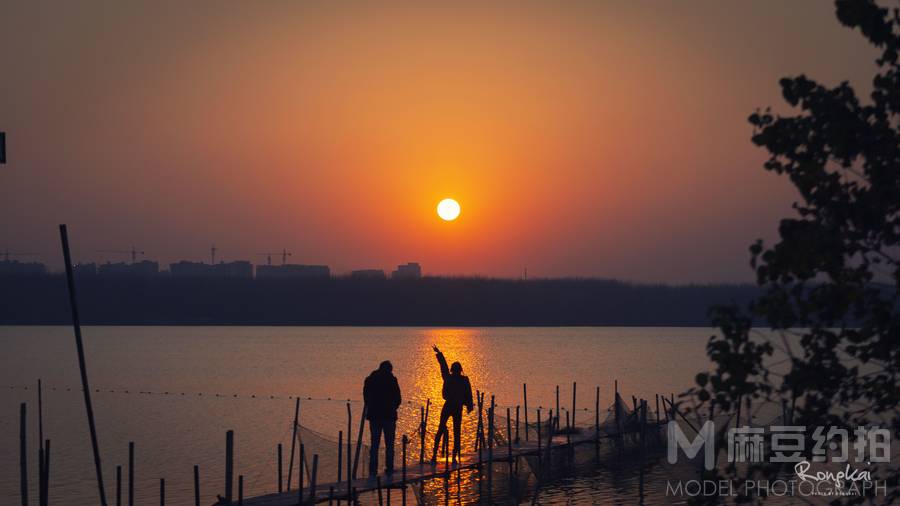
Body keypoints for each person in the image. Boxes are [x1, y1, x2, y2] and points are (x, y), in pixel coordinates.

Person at [430, 345, 474, 465]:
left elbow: (443, 366)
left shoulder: (449, 378)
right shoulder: (463, 380)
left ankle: (435, 455)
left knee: (442, 429)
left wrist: (439, 353)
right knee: (455, 432)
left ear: (453, 370)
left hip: (449, 406)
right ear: (460, 370)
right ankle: (452, 457)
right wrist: (469, 406)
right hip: (456, 407)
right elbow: (469, 394)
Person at [363, 360, 402, 476]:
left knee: (374, 443)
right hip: (389, 416)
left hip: (374, 416)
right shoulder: (392, 380)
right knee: (389, 443)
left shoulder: (370, 380)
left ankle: (372, 469)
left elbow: (366, 397)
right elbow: (398, 398)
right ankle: (389, 467)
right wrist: (392, 407)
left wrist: (372, 407)